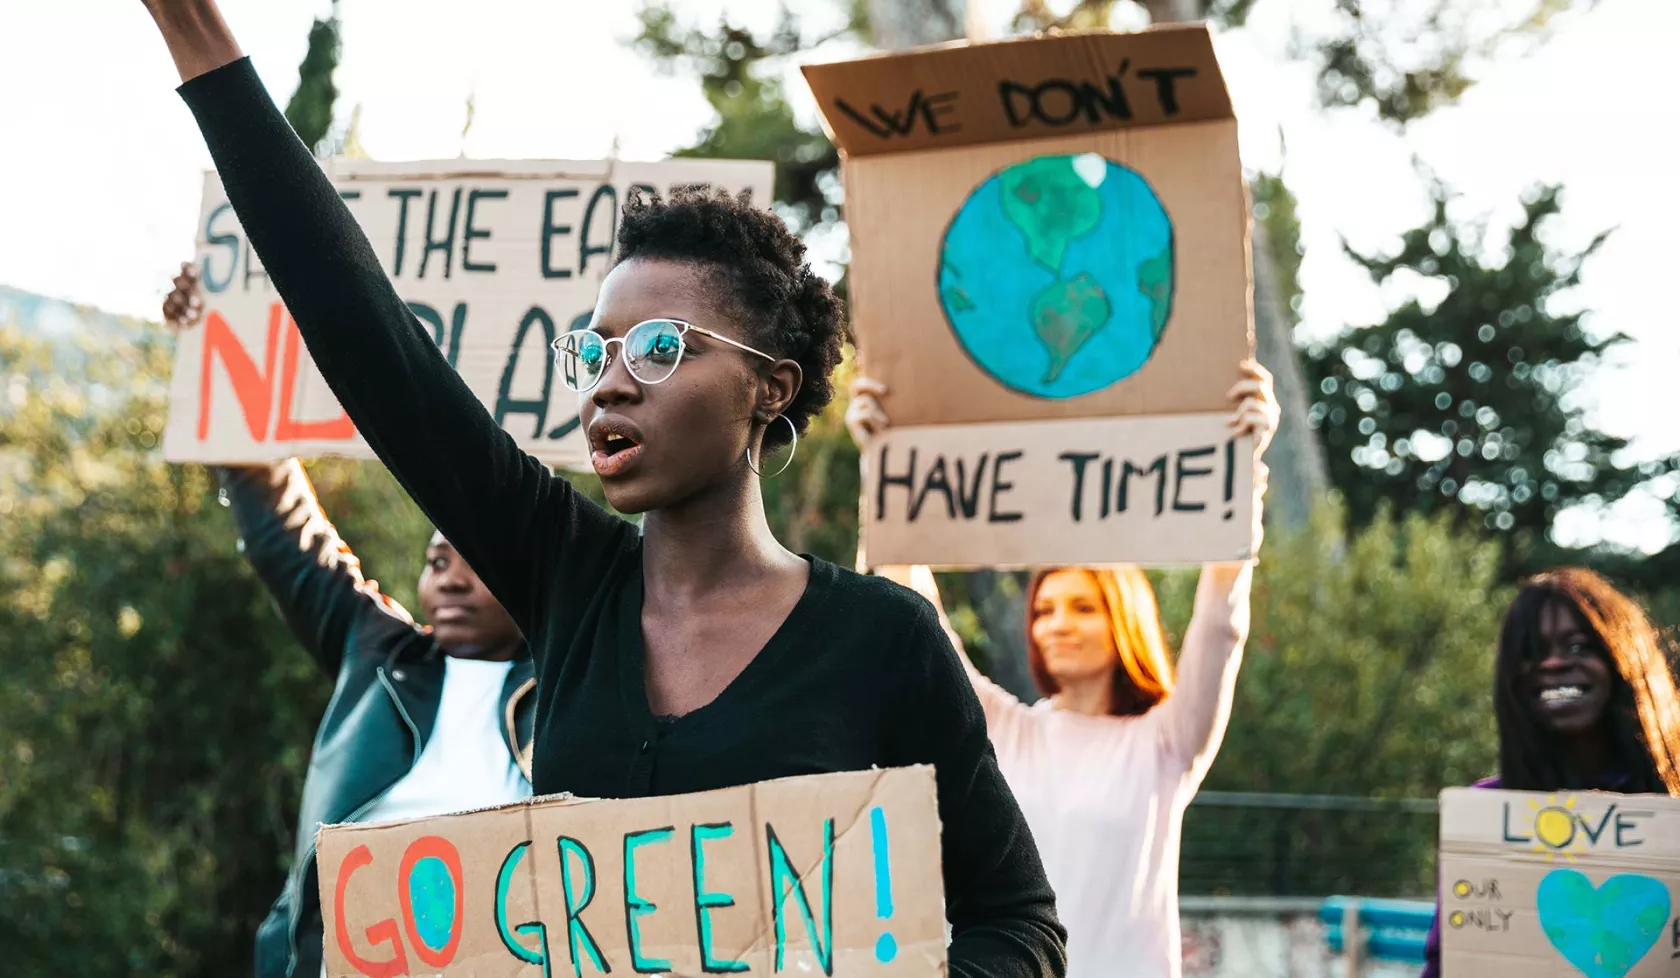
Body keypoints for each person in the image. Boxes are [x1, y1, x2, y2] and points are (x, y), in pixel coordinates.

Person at [136, 3, 1067, 974]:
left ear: (770, 388)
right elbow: (367, 332)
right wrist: (201, 37)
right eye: (595, 349)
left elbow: (1019, 929)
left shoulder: (885, 641)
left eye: (661, 348)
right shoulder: (564, 578)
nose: (611, 380)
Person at [847, 363, 1278, 978]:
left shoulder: (1167, 741)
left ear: (1123, 621)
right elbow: (913, 612)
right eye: (1045, 609)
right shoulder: (1004, 727)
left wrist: (1245, 466)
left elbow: (1219, 624)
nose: (1056, 624)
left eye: (1082, 607)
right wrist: (882, 465)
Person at [163, 268, 536, 978]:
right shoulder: (376, 651)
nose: (450, 576)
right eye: (435, 558)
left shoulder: (575, 682)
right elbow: (288, 533)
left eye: (474, 560)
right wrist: (215, 340)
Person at [1419, 567, 1680, 977]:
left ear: (1622, 661)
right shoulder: (1484, 818)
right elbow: (1447, 962)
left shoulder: (1674, 812)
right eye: (1532, 652)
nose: (1554, 663)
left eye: (1578, 647)